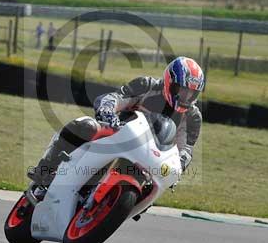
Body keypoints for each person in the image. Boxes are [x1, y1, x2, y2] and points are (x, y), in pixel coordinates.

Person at [27, 56, 205, 200]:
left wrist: (178, 167)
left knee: (155, 186)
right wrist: (108, 110)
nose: (186, 96)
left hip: (151, 157)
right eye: (182, 89)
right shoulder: (147, 86)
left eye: (192, 93)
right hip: (118, 133)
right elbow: (115, 98)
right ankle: (45, 170)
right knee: (85, 125)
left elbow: (186, 150)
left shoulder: (193, 117)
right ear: (169, 81)